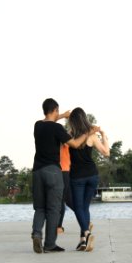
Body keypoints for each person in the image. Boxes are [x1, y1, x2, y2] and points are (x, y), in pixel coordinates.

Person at [31, 98, 96, 254]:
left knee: (40, 207)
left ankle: (36, 233)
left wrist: (62, 115)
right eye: (58, 112)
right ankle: (49, 244)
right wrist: (88, 132)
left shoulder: (37, 125)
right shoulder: (58, 129)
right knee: (54, 209)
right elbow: (74, 144)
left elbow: (48, 120)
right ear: (55, 110)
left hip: (37, 172)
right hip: (53, 172)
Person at [68, 107, 110, 252]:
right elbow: (106, 153)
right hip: (92, 175)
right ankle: (83, 241)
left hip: (77, 177)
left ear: (72, 121)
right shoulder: (92, 136)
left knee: (79, 208)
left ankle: (86, 232)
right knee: (84, 208)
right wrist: (104, 136)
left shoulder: (70, 136)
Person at [57, 143, 74, 234]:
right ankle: (85, 220)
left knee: (64, 200)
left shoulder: (66, 142)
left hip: (63, 171)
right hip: (64, 172)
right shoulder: (66, 142)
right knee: (67, 200)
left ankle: (59, 227)